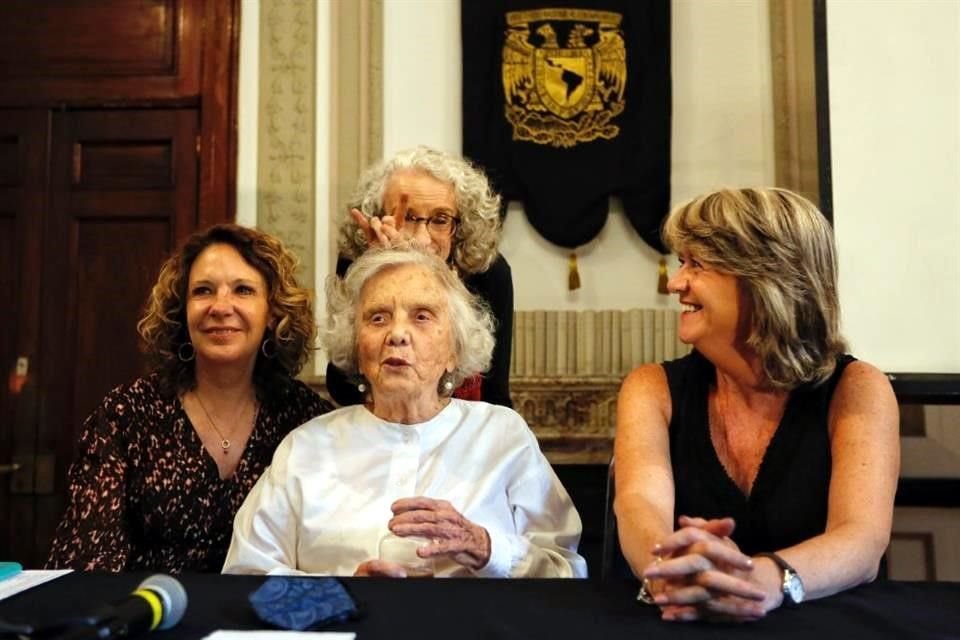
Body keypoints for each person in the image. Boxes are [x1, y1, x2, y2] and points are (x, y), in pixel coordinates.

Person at [613, 188, 899, 622]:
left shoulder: (858, 388)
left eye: (697, 264)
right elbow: (638, 506)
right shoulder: (651, 387)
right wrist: (669, 570)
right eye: (680, 263)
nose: (675, 283)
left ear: (764, 281)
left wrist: (766, 579)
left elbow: (862, 541)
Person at [223, 246, 585, 578]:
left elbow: (566, 571)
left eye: (422, 316)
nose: (397, 333)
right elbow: (246, 575)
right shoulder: (307, 446)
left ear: (454, 351)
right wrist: (345, 593)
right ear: (356, 349)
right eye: (377, 318)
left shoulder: (502, 436)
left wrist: (488, 549)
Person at [45, 224, 333, 572]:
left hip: (267, 620)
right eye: (203, 291)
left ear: (272, 313)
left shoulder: (307, 420)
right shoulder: (126, 415)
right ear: (181, 310)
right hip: (149, 616)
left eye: (242, 290)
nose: (220, 307)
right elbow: (85, 562)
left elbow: (326, 551)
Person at [327, 146, 513, 408]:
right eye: (408, 217)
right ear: (379, 218)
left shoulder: (489, 274)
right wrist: (379, 269)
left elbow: (495, 396)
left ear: (460, 226)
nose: (422, 239)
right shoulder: (358, 263)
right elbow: (342, 387)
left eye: (440, 219)